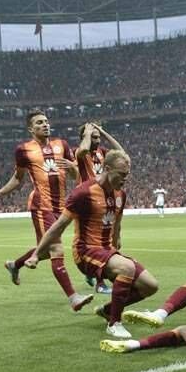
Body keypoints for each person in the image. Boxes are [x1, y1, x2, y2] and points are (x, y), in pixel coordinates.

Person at [24, 150, 159, 339]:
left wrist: (116, 248)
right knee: (127, 268)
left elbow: (117, 224)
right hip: (85, 252)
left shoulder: (121, 194)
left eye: (127, 174)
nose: (125, 179)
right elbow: (59, 226)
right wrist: (36, 254)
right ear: (107, 169)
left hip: (107, 251)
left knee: (150, 285)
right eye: (121, 174)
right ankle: (114, 323)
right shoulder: (83, 193)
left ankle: (107, 310)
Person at [0, 109, 93, 312]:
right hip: (41, 205)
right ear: (31, 129)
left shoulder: (62, 145)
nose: (45, 125)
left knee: (44, 251)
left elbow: (75, 175)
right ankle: (73, 298)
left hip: (61, 206)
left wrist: (72, 166)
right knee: (56, 249)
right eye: (39, 123)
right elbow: (18, 178)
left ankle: (15, 265)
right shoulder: (24, 150)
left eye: (46, 121)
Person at [75, 121, 124, 294]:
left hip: (103, 197)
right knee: (94, 240)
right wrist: (87, 133)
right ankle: (100, 281)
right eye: (94, 137)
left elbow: (121, 153)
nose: (97, 140)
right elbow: (83, 149)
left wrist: (103, 132)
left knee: (108, 237)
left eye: (98, 137)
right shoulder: (81, 153)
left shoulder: (102, 153)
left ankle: (92, 271)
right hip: (87, 200)